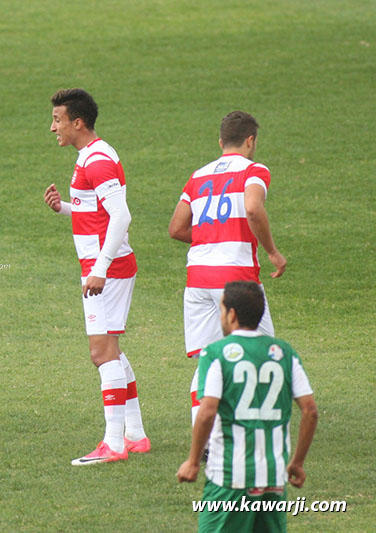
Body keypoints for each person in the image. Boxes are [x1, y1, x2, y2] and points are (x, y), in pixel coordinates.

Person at [43, 88, 149, 465]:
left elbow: (122, 217)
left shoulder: (97, 160)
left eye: (57, 120)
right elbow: (98, 212)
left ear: (77, 122)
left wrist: (100, 269)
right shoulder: (91, 156)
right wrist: (65, 209)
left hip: (107, 269)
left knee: (101, 353)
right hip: (104, 266)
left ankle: (113, 444)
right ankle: (134, 435)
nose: (52, 127)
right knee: (111, 350)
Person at [168, 111, 287, 426]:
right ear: (250, 141)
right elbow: (252, 207)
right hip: (235, 279)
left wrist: (211, 235)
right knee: (262, 352)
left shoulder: (198, 176)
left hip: (197, 279)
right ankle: (258, 425)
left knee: (207, 358)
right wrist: (272, 252)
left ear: (221, 141)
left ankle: (204, 437)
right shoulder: (254, 171)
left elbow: (177, 228)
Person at [177, 281, 318, 532]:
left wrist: (193, 461)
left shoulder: (215, 353)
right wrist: (296, 462)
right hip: (274, 478)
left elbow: (207, 411)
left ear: (231, 314)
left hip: (229, 477)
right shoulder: (285, 353)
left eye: (221, 310)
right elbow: (310, 411)